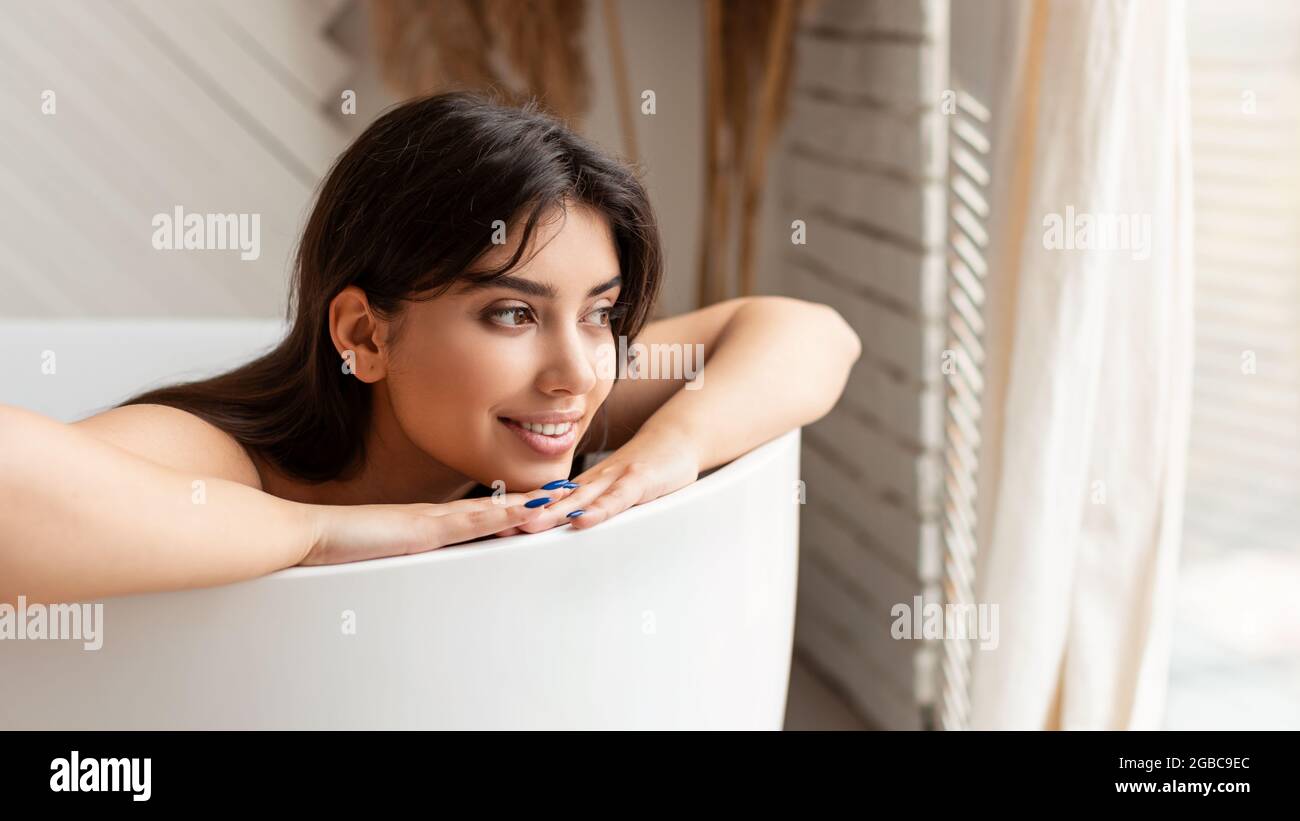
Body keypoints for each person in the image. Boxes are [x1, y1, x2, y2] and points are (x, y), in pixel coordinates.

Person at [0, 91, 861, 605]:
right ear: (365, 335)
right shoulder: (219, 455)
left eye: (598, 313)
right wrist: (325, 536)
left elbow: (813, 333)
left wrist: (669, 451)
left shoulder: (552, 403)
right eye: (513, 316)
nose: (578, 374)